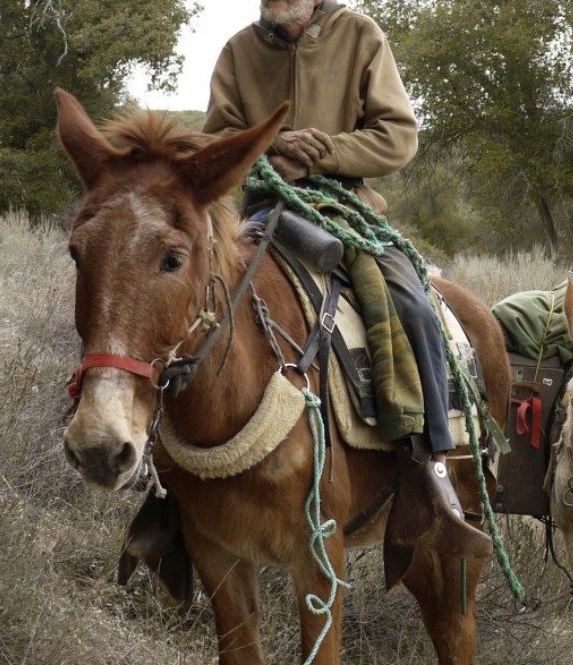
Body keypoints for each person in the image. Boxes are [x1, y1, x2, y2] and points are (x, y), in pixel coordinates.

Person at [204, 0, 487, 549]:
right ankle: (166, 493)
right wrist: (271, 145)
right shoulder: (238, 51)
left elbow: (398, 136)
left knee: (413, 304)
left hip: (346, 209)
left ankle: (431, 468)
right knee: (193, 304)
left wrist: (325, 152)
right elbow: (215, 138)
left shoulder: (360, 35)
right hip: (262, 211)